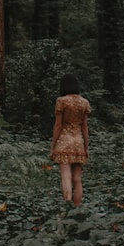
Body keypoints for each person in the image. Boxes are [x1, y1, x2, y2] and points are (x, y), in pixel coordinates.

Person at [50, 74, 90, 206]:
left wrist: (53, 145)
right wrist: (86, 147)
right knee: (77, 179)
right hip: (78, 142)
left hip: (64, 141)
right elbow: (84, 127)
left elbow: (58, 125)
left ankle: (67, 207)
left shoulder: (62, 101)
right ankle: (77, 208)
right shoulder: (84, 102)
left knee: (65, 176)